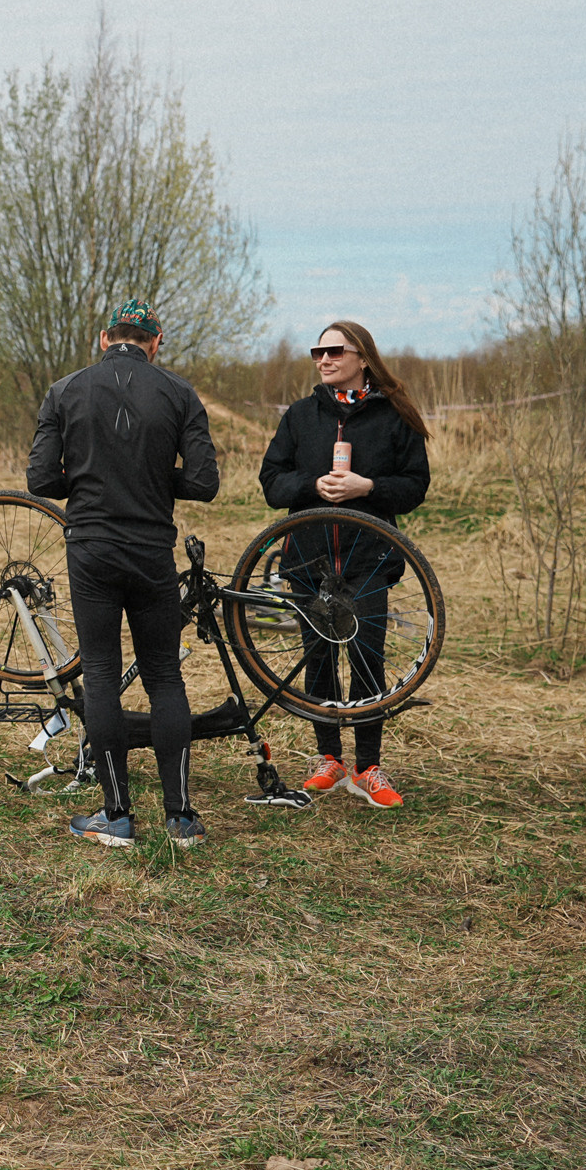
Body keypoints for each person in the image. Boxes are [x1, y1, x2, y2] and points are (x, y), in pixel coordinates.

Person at [27, 299, 220, 850]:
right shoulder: (179, 393)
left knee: (104, 676)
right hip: (151, 549)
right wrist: (153, 478)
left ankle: (116, 816)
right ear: (155, 342)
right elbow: (204, 482)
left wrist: (95, 478)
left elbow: (41, 478)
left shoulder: (65, 390)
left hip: (92, 548)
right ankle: (181, 818)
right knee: (165, 677)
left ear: (104, 337)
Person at [259, 319, 432, 808]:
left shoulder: (394, 417)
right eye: (317, 353)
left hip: (369, 560)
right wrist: (313, 485)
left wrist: (368, 487)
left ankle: (368, 766)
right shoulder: (299, 416)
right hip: (308, 560)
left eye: (334, 351)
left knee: (365, 656)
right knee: (317, 657)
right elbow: (272, 480)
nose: (323, 360)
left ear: (363, 358)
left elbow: (416, 485)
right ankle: (329, 759)